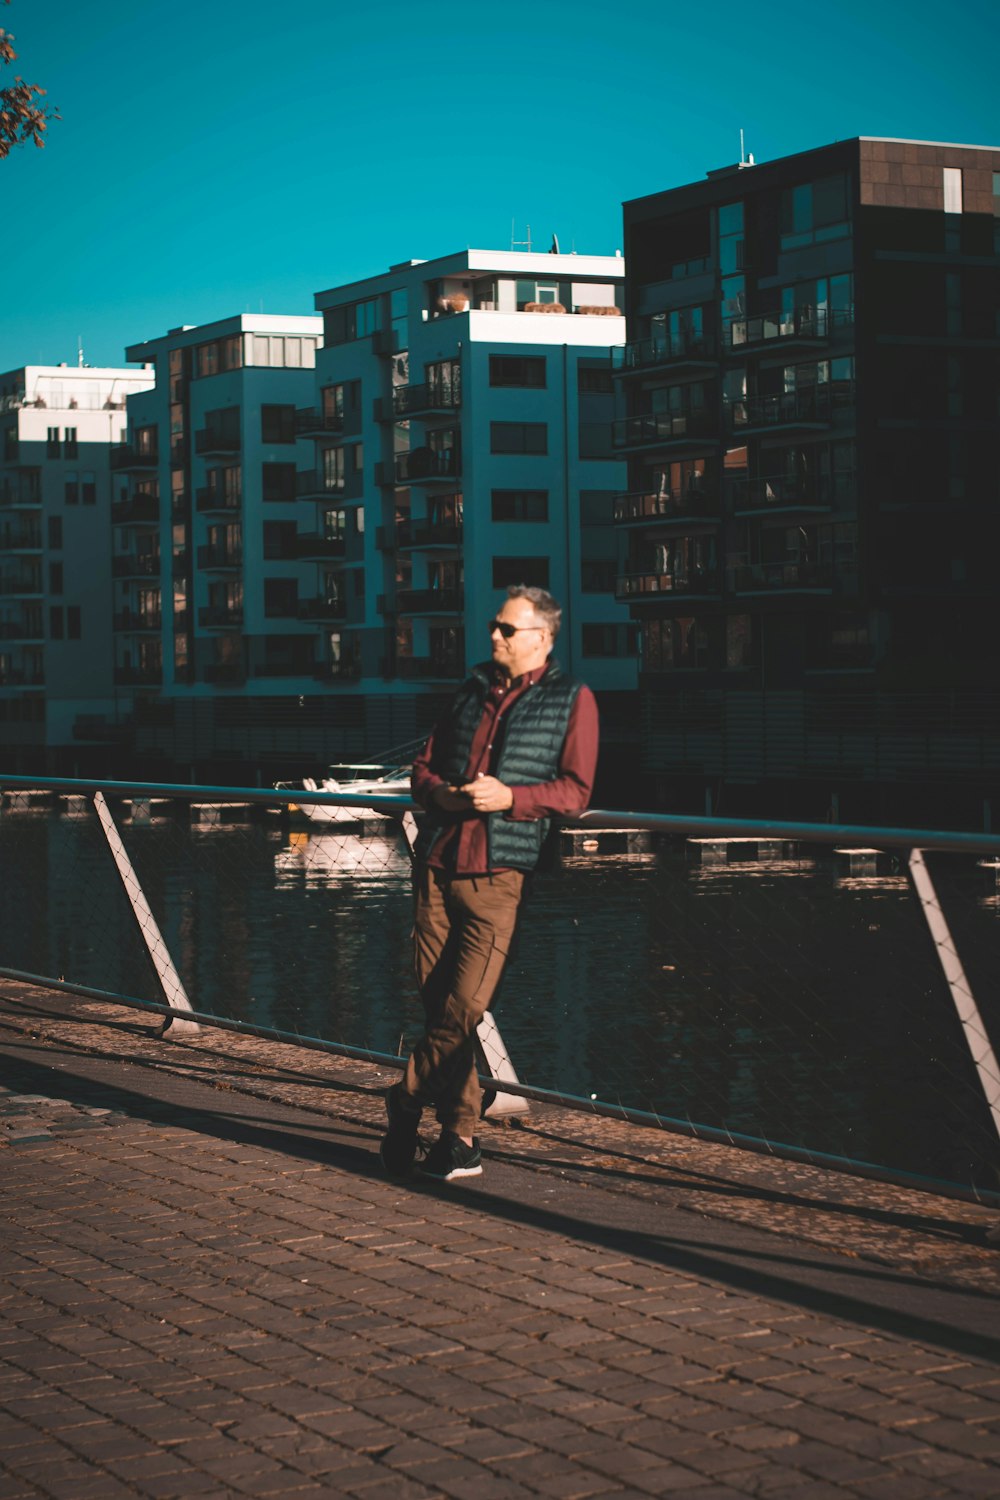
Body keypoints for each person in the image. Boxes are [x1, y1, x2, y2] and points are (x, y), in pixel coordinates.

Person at [380, 585, 599, 1183]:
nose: (495, 636)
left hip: (499, 875)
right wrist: (444, 794)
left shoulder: (571, 699)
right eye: (495, 626)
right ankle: (460, 1139)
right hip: (436, 866)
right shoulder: (471, 688)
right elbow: (422, 769)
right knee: (441, 1012)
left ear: (542, 638)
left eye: (507, 629)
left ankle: (402, 1101)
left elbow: (577, 792)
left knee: (462, 1009)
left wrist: (512, 797)